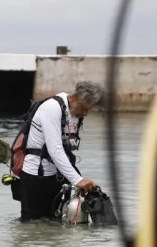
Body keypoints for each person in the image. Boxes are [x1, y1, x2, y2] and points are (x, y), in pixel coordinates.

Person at [20, 81, 104, 220]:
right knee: (32, 225)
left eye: (89, 110)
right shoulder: (52, 107)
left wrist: (78, 180)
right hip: (36, 176)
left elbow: (66, 149)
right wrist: (77, 180)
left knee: (55, 224)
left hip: (57, 177)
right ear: (75, 98)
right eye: (84, 109)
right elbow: (55, 149)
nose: (86, 114)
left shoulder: (74, 113)